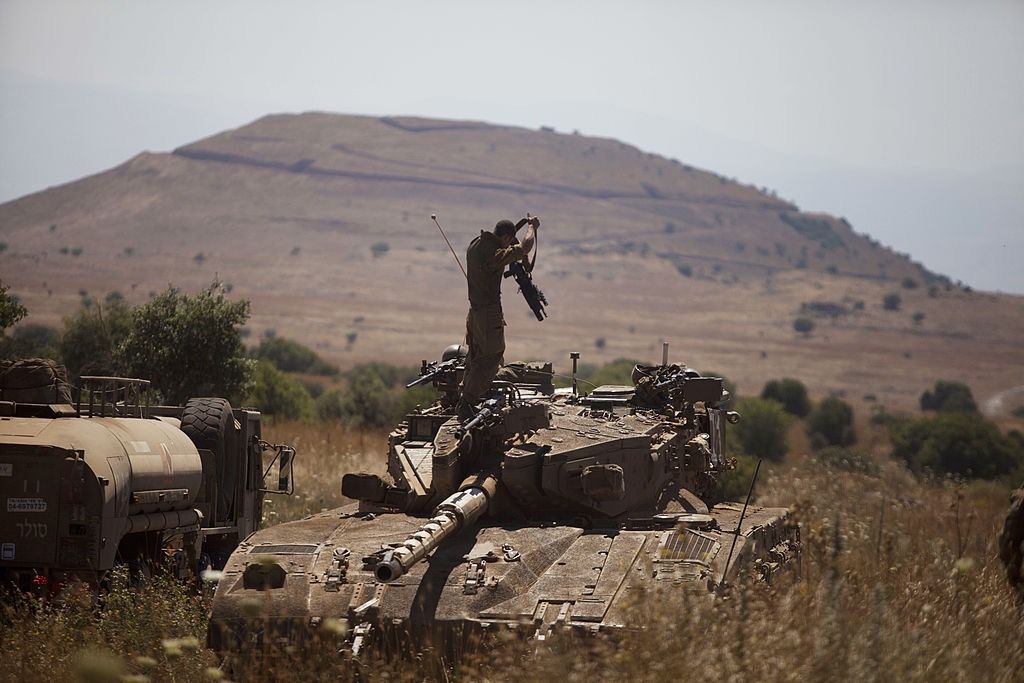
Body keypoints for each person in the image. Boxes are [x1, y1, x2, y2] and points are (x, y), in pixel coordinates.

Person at [457, 215, 539, 420]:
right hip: (487, 313)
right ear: (506, 237)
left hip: (475, 312)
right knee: (492, 355)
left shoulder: (476, 245)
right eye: (510, 241)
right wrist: (531, 228)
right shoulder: (494, 253)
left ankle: (465, 397)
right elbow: (524, 248)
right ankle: (468, 402)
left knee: (475, 356)